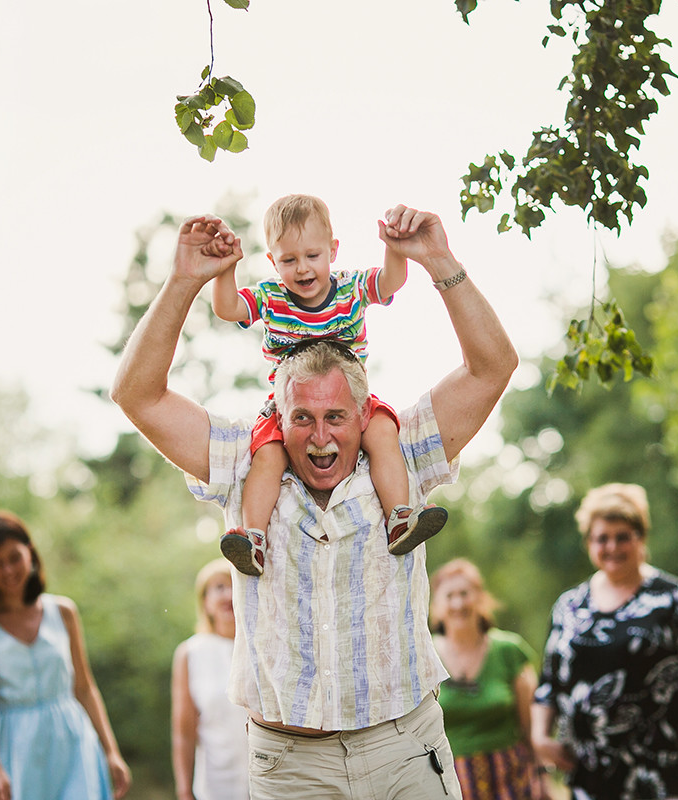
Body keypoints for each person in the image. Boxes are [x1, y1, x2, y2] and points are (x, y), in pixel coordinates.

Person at [111, 204, 517, 799]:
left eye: (335, 418)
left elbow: (493, 366)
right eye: (302, 418)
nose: (321, 437)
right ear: (279, 416)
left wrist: (439, 262)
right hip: (289, 765)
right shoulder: (246, 463)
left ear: (363, 414)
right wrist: (183, 283)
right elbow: (136, 393)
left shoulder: (401, 451)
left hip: (405, 749)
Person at [210, 193, 446, 576]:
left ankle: (399, 517)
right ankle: (252, 537)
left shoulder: (351, 289)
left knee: (384, 431)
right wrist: (227, 269)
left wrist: (395, 249)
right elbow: (227, 308)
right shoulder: (271, 297)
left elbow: (390, 281)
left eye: (312, 256)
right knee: (267, 456)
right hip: (289, 409)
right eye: (289, 260)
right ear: (272, 261)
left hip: (351, 404)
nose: (302, 269)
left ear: (332, 251)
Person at [531, 483, 678, 800]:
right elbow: (548, 683)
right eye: (602, 538)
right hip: (591, 773)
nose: (612, 546)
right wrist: (539, 736)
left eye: (622, 537)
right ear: (589, 543)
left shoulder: (674, 597)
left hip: (664, 769)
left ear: (640, 539)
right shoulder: (569, 606)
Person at [0, 510, 131, 800]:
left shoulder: (63, 612)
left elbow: (85, 689)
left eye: (14, 557)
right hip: (14, 752)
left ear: (31, 554)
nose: (9, 570)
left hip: (72, 744)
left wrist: (111, 751)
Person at [430, 558, 550, 800]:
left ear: (480, 598)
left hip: (512, 777)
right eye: (449, 595)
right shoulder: (425, 656)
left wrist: (543, 778)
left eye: (465, 593)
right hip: (452, 782)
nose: (458, 603)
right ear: (437, 605)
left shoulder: (509, 650)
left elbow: (531, 727)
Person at [171, 559, 249, 800]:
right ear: (204, 602)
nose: (228, 594)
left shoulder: (263, 646)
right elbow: (183, 731)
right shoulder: (191, 653)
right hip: (216, 783)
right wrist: (184, 790)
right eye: (218, 587)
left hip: (270, 780)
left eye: (234, 585)